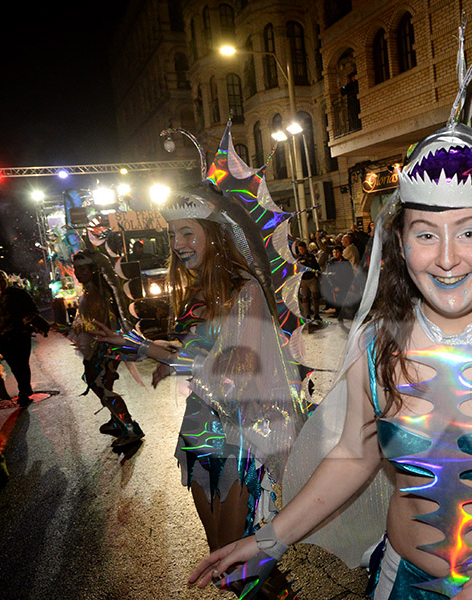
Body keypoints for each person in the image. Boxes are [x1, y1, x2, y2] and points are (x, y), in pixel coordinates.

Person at [190, 26, 472, 600]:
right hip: (399, 586)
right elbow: (355, 456)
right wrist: (269, 539)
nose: (449, 259)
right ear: (400, 246)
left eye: (469, 232)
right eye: (427, 234)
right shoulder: (379, 347)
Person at [94, 127, 307, 594]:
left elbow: (238, 372)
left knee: (234, 564)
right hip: (198, 428)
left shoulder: (245, 291)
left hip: (239, 432)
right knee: (225, 564)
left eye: (186, 233)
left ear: (212, 234)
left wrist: (182, 361)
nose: (178, 244)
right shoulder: (196, 297)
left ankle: (279, 590)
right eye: (173, 235)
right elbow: (194, 359)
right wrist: (129, 342)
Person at [70, 251, 144, 448]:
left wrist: (88, 341)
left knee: (100, 386)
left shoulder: (95, 293)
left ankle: (129, 427)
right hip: (100, 347)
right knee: (103, 386)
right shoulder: (90, 290)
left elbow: (99, 326)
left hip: (102, 348)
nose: (78, 273)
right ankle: (116, 420)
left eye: (83, 269)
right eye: (76, 269)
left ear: (93, 270)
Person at [0, 270, 49, 407]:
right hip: (2, 339)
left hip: (20, 336)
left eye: (2, 281)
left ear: (7, 281)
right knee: (14, 366)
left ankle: (24, 392)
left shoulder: (19, 294)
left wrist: (29, 323)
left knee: (22, 365)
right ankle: (23, 390)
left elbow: (33, 310)